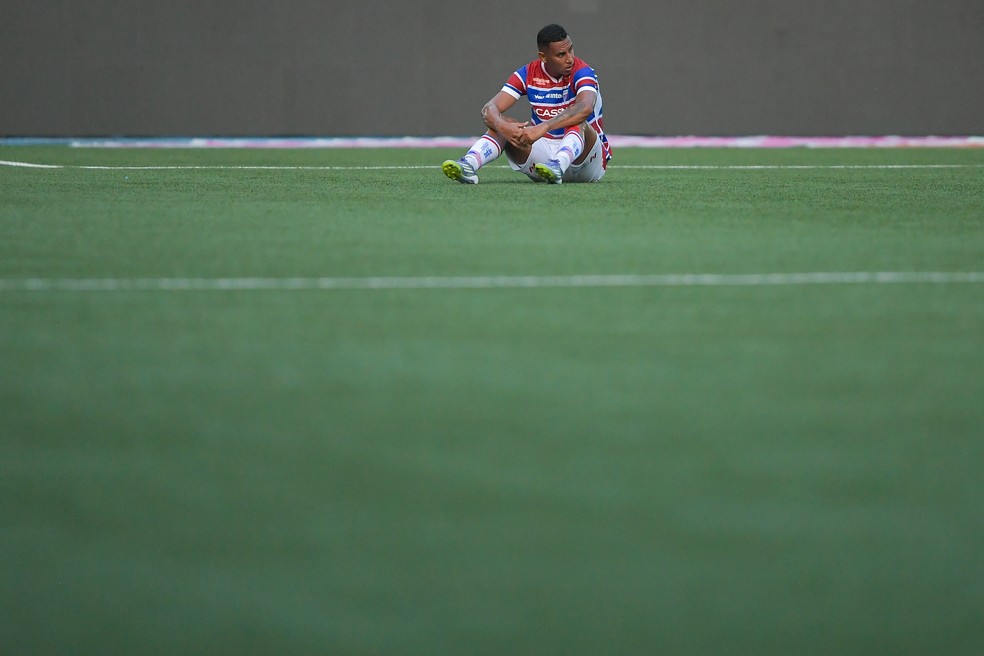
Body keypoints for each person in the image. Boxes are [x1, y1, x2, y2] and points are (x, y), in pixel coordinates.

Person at [442, 23, 611, 185]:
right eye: (561, 54)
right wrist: (502, 126)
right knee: (504, 123)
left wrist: (543, 126)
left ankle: (559, 164)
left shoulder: (583, 71)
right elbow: (489, 109)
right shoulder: (527, 73)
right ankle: (469, 164)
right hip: (544, 161)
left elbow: (585, 107)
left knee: (578, 120)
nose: (570, 59)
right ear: (543, 57)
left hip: (586, 161)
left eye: (570, 50)